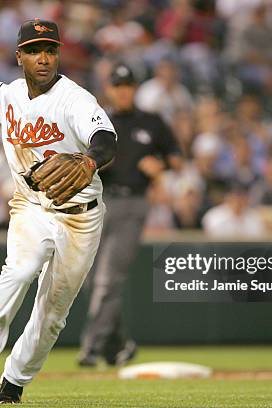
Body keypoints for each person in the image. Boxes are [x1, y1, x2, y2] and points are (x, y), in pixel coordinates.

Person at [0, 19, 117, 404]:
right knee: (21, 269)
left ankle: (13, 382)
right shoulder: (11, 95)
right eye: (33, 51)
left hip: (80, 215)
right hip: (30, 204)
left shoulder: (74, 99)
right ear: (19, 57)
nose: (43, 58)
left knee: (53, 313)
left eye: (50, 50)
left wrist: (91, 162)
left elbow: (105, 139)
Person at [78, 64, 182, 367]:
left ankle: (92, 347)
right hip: (98, 201)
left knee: (108, 280)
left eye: (128, 85)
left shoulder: (151, 122)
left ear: (135, 88)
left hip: (133, 204)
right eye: (118, 85)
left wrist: (161, 165)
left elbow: (177, 159)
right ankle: (119, 344)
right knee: (88, 278)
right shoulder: (99, 122)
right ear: (110, 89)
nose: (123, 90)